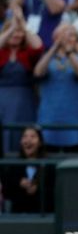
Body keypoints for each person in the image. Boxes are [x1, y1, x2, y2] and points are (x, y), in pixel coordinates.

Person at [34, 21, 78, 152]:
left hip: (73, 118)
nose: (67, 38)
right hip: (49, 117)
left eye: (72, 35)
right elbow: (38, 72)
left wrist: (69, 52)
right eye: (64, 34)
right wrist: (54, 48)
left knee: (73, 158)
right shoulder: (47, 58)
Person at [0, 9, 43, 155]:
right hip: (2, 99)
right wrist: (12, 27)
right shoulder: (2, 52)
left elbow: (38, 46)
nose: (16, 35)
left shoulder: (27, 53)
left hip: (24, 100)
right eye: (13, 32)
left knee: (21, 133)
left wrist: (23, 26)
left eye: (19, 33)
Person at [2, 127, 53, 212]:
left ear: (40, 142)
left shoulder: (49, 166)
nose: (28, 140)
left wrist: (37, 188)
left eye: (32, 137)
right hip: (19, 215)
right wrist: (19, 183)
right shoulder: (13, 166)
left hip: (43, 215)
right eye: (25, 137)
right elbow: (7, 192)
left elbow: (53, 193)